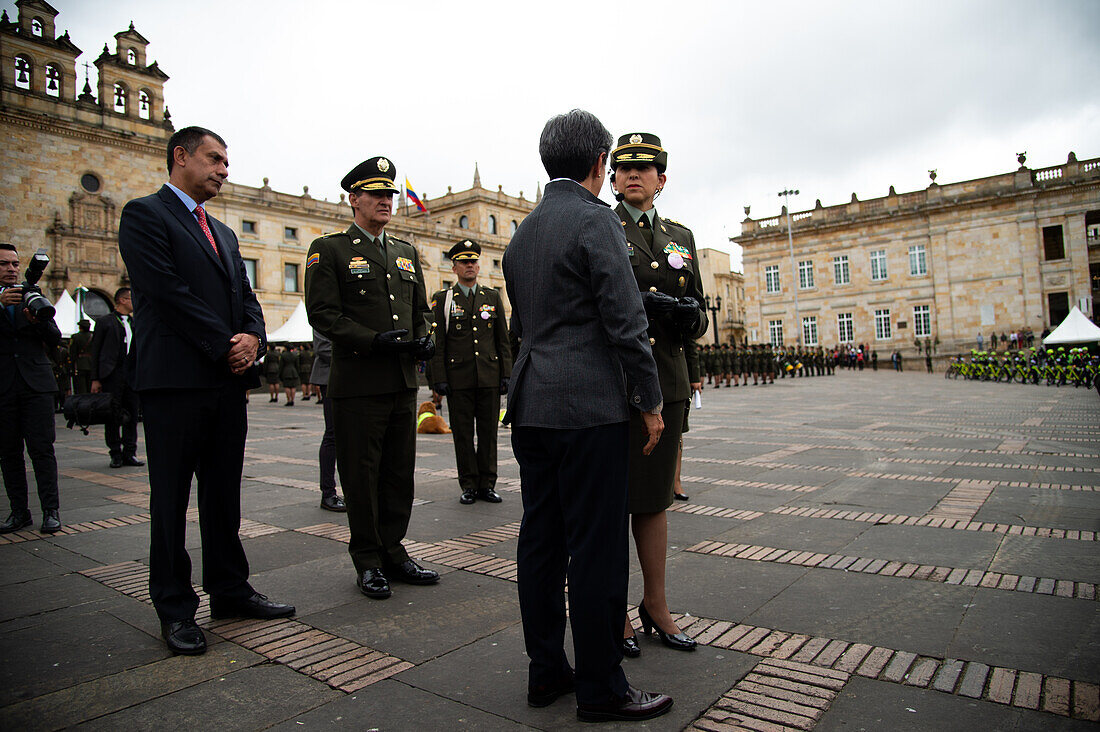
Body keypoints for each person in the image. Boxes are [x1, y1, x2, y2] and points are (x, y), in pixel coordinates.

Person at [503, 110, 673, 723]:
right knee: (597, 549)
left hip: (533, 405)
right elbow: (627, 324)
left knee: (541, 543)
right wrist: (650, 402)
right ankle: (603, 686)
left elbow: (523, 326)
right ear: (600, 162)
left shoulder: (523, 234)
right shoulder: (595, 221)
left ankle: (546, 671)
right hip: (590, 406)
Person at [118, 126, 294, 656]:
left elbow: (247, 295)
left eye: (226, 161)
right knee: (170, 501)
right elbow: (165, 292)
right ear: (180, 157)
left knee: (223, 494)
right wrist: (226, 343)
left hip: (223, 383)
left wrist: (254, 339)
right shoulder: (145, 214)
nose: (223, 169)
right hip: (174, 382)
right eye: (214, 159)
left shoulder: (225, 232)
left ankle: (229, 589)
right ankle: (174, 607)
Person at [304, 155, 438, 601]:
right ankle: (367, 558)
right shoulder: (331, 249)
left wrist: (424, 339)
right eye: (376, 194)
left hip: (401, 382)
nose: (386, 201)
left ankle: (394, 551)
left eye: (389, 195)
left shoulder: (404, 252)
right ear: (353, 199)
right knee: (361, 475)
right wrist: (374, 340)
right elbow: (322, 314)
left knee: (399, 474)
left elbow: (421, 308)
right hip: (359, 381)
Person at [610, 132, 706, 660]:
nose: (633, 175)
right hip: (616, 381)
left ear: (661, 179)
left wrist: (692, 316)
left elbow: (697, 307)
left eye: (644, 168)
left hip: (666, 379)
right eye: (624, 167)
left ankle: (656, 605)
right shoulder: (602, 225)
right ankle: (615, 610)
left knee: (654, 501)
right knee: (611, 502)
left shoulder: (680, 235)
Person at [428, 239, 513, 505]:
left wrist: (506, 373)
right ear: (453, 267)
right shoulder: (443, 300)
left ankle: (487, 483)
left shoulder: (492, 296)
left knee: (488, 433)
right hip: (458, 378)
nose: (470, 266)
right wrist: (439, 378)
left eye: (473, 261)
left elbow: (503, 340)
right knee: (463, 434)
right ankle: (468, 484)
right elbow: (438, 343)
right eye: (464, 262)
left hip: (488, 375)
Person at [0, 243, 62, 534]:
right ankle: (19, 512)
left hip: (36, 385)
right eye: (4, 264)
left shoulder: (32, 294)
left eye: (14, 264)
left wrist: (37, 321)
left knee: (42, 450)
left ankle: (51, 511)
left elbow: (54, 338)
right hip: (3, 385)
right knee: (8, 452)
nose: (11, 269)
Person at [89, 287, 143, 469]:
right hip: (112, 374)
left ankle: (130, 452)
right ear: (121, 300)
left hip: (132, 374)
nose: (133, 303)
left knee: (132, 414)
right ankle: (115, 453)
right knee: (112, 414)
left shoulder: (136, 323)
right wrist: (95, 378)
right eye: (130, 299)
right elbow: (95, 351)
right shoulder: (105, 322)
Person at [310, 330, 346, 512]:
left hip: (353, 378)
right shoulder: (325, 304)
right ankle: (328, 493)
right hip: (331, 376)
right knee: (333, 434)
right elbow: (323, 348)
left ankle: (354, 490)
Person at [69, 319, 93, 394]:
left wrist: (72, 366)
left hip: (79, 365)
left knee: (80, 388)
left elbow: (73, 352)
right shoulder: (93, 337)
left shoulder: (75, 337)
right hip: (91, 364)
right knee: (90, 388)